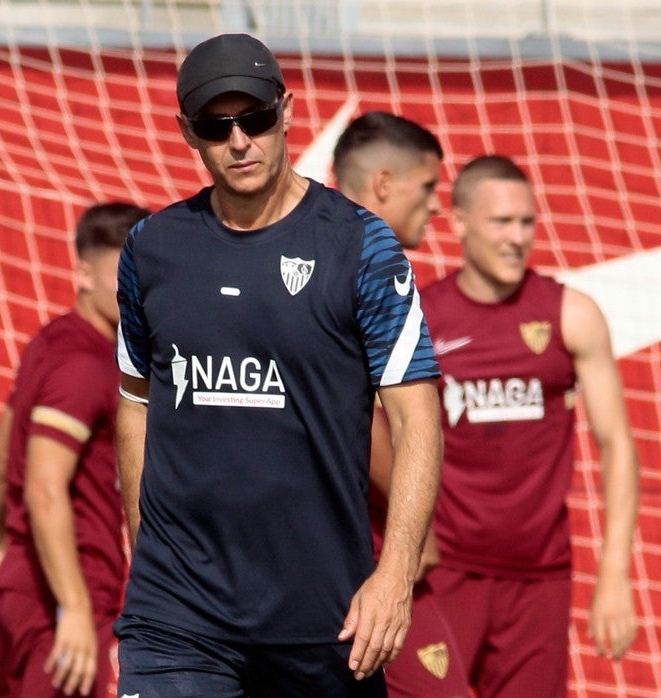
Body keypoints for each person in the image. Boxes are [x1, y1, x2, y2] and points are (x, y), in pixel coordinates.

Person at [113, 33, 444, 695]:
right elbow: (135, 403)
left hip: (320, 620)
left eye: (256, 119)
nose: (240, 141)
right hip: (179, 618)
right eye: (217, 125)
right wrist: (147, 553)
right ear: (189, 134)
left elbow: (417, 420)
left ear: (287, 112)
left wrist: (396, 573)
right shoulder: (152, 248)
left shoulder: (360, 245)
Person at [422, 154, 639, 697]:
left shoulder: (572, 313)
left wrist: (614, 574)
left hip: (539, 579)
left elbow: (617, 444)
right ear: (459, 221)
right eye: (501, 222)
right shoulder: (421, 317)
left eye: (527, 222)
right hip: (442, 572)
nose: (517, 237)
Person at [0, 201, 151, 697]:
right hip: (60, 596)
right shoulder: (85, 364)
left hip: (21, 584)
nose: (135, 288)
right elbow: (45, 489)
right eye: (120, 274)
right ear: (84, 274)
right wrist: (74, 608)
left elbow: (1, 452)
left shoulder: (50, 341)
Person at [333, 110, 471, 697]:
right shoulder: (351, 261)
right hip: (363, 560)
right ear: (383, 184)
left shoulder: (314, 250)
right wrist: (413, 537)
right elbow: (351, 412)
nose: (437, 204)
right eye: (428, 186)